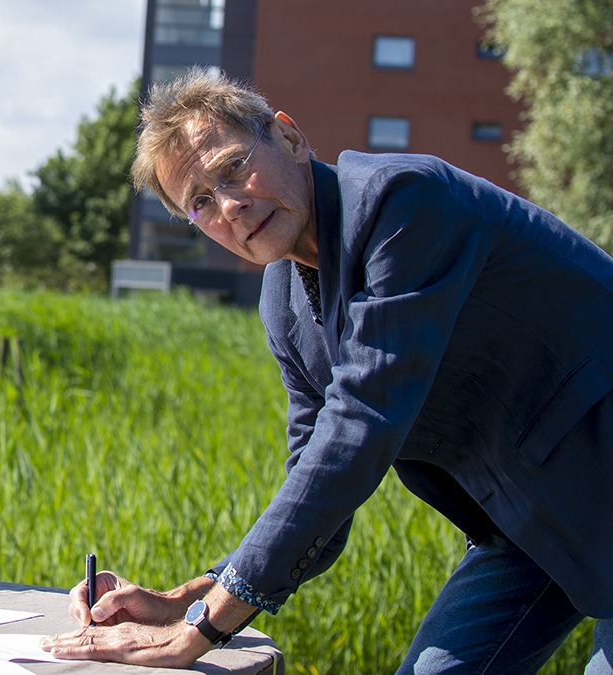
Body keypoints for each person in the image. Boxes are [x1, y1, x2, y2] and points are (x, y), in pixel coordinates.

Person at [41, 69, 613, 673]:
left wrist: (198, 633)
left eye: (233, 168)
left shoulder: (407, 203)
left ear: (289, 138)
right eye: (201, 203)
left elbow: (361, 423)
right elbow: (315, 479)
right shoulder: (282, 303)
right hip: (525, 523)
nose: (231, 206)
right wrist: (188, 597)